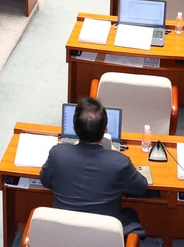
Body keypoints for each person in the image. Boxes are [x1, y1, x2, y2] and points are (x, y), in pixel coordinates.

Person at [40, 96, 148, 234]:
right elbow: (141, 188)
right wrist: (116, 154)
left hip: (64, 233)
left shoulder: (57, 154)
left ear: (74, 128)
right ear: (106, 129)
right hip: (103, 236)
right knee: (130, 214)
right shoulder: (120, 162)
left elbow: (45, 181)